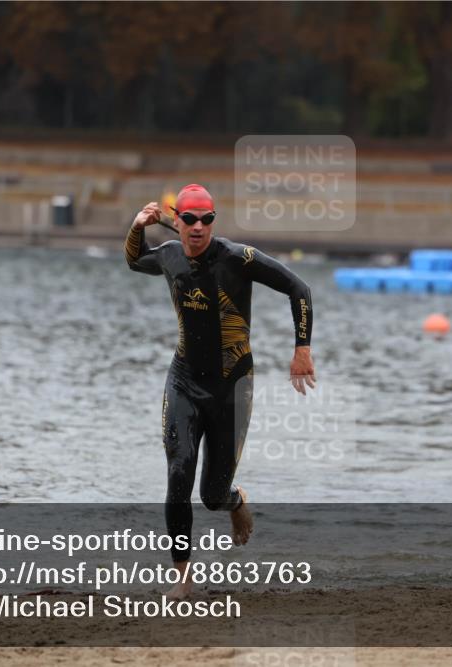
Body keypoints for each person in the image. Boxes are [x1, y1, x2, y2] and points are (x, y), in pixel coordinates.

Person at [125, 183, 316, 599]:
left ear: (214, 221)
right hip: (184, 380)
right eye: (189, 219)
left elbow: (299, 289)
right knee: (179, 470)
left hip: (232, 386)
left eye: (206, 219)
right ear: (177, 221)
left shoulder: (237, 258)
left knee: (211, 495)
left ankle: (235, 501)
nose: (197, 226)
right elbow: (134, 259)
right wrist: (138, 226)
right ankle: (183, 578)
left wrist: (301, 347)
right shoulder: (170, 256)